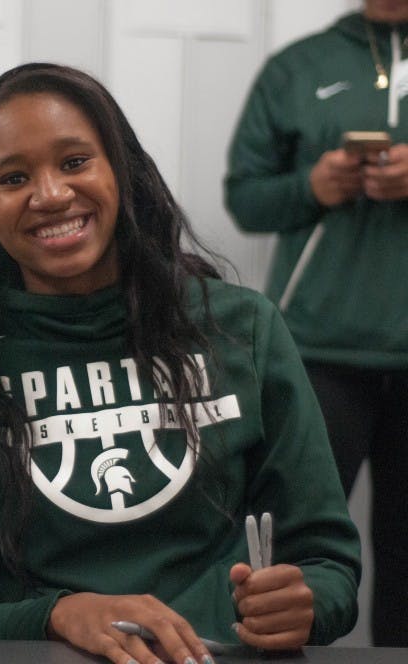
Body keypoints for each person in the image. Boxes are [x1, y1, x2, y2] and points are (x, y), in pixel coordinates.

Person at [0, 63, 360, 664]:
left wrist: (304, 605)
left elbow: (329, 564)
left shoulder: (243, 326)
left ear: (121, 169)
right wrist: (61, 614)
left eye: (74, 162)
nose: (52, 194)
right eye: (13, 178)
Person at [224, 0, 408, 648]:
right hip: (318, 352)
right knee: (291, 555)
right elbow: (244, 196)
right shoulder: (297, 67)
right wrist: (314, 186)